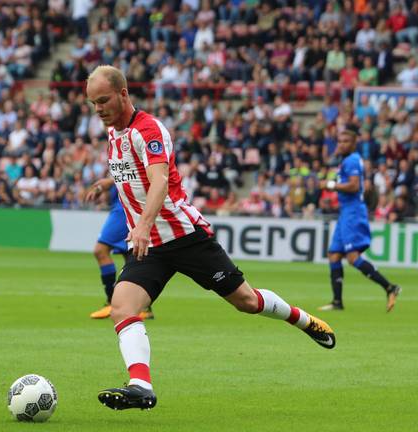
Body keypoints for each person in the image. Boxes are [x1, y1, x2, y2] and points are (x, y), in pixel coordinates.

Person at [85, 65, 335, 411]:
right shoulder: (114, 134)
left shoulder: (150, 129)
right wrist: (107, 182)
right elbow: (134, 170)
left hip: (186, 237)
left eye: (103, 100)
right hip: (152, 247)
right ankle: (141, 385)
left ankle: (303, 319)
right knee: (122, 307)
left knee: (246, 302)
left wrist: (142, 224)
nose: (98, 109)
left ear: (123, 94)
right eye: (93, 103)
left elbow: (159, 180)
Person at [319, 125, 401, 312]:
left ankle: (390, 287)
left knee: (353, 257)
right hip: (345, 212)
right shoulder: (346, 160)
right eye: (339, 141)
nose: (341, 144)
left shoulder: (353, 160)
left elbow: (355, 186)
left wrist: (331, 184)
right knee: (334, 255)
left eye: (345, 141)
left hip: (353, 212)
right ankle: (337, 302)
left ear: (354, 143)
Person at [85, 178, 153, 319]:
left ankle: (112, 302)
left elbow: (119, 177)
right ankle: (143, 307)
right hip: (128, 204)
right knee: (129, 254)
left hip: (123, 207)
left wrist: (102, 186)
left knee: (100, 250)